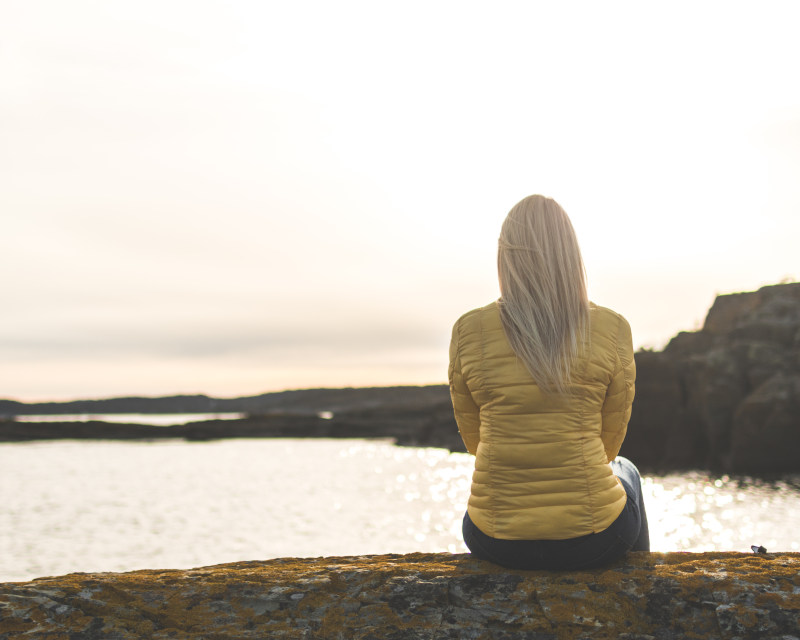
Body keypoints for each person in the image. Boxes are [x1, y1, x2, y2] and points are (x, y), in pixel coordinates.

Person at [448, 194, 649, 570]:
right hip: (594, 540)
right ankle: (641, 598)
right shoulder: (612, 328)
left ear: (505, 256)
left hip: (493, 539)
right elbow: (609, 443)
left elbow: (474, 439)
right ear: (569, 255)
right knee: (627, 470)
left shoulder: (468, 330)